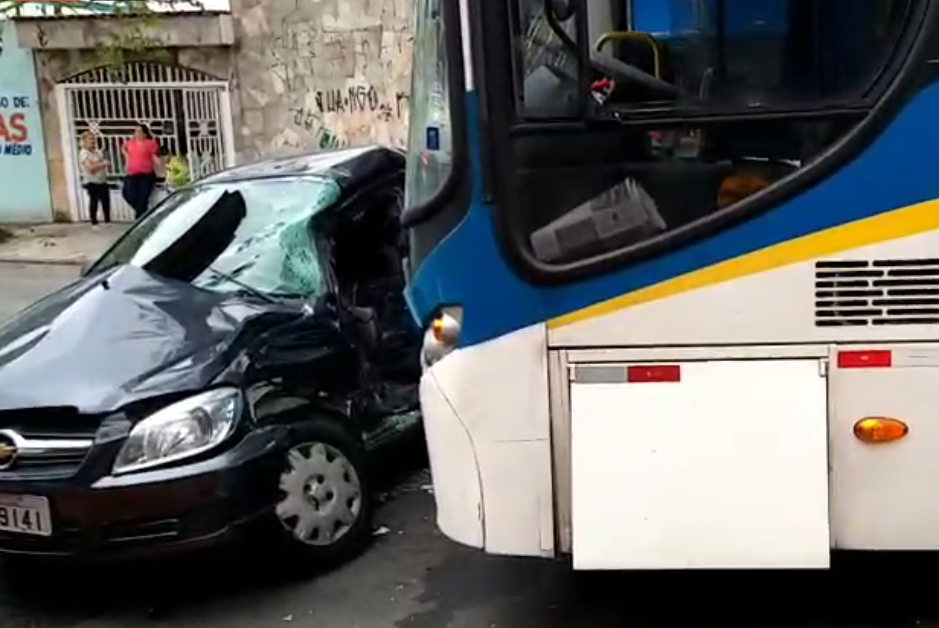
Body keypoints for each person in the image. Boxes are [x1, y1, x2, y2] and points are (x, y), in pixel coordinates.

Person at [121, 123, 160, 219]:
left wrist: (162, 165)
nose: (136, 133)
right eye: (135, 131)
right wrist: (127, 162)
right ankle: (143, 214)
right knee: (127, 194)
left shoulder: (151, 143)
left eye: (139, 131)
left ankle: (140, 218)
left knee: (143, 198)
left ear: (145, 134)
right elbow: (125, 153)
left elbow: (154, 156)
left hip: (146, 175)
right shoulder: (129, 143)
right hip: (132, 174)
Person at [78, 131, 110, 226]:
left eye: (93, 139)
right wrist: (102, 164)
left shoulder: (97, 152)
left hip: (102, 180)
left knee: (106, 201)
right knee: (94, 201)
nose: (92, 141)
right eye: (90, 139)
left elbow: (106, 161)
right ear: (84, 141)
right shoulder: (83, 153)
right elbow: (91, 168)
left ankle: (107, 220)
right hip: (92, 181)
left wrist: (99, 164)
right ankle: (94, 221)